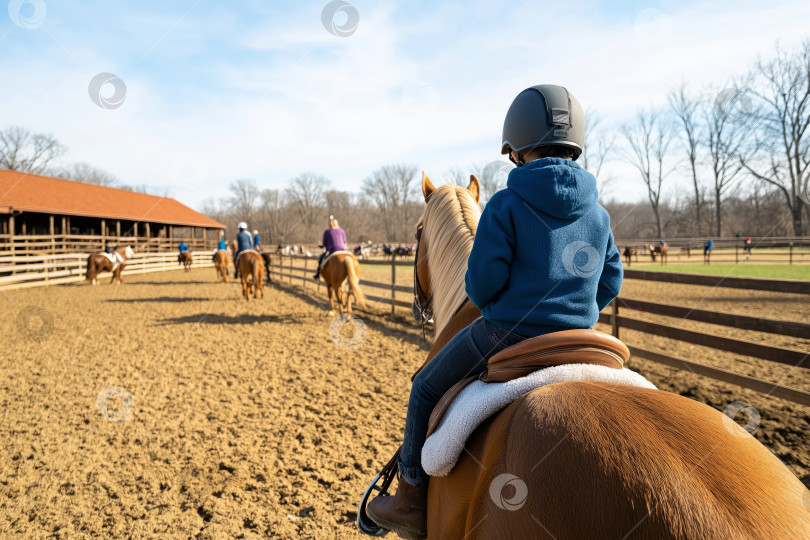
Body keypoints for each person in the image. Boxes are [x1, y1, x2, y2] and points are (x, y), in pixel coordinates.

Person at [367, 84, 624, 538]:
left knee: (425, 387)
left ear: (517, 146)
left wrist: (503, 305)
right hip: (581, 340)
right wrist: (577, 311)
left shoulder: (506, 204)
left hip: (507, 334)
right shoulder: (598, 214)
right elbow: (610, 281)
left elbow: (482, 284)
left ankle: (408, 499)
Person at [313, 215, 347, 280]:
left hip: (333, 250)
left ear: (329, 225)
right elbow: (344, 242)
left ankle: (317, 274)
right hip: (343, 250)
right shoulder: (342, 230)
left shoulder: (327, 232)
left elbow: (325, 245)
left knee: (321, 259)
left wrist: (322, 246)